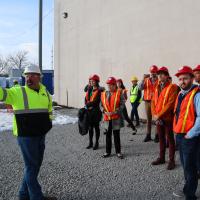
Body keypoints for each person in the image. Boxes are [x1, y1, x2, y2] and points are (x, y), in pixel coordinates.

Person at [0, 64, 56, 200]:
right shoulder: (18, 92)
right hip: (26, 137)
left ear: (39, 77)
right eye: (26, 75)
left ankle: (23, 195)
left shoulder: (45, 93)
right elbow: (2, 93)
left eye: (32, 75)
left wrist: (48, 123)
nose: (28, 78)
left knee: (35, 165)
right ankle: (37, 197)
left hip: (40, 134)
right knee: (31, 166)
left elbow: (49, 111)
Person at [173, 66, 200, 200]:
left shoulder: (197, 94)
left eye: (185, 78)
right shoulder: (181, 93)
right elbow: (178, 114)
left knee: (190, 167)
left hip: (190, 137)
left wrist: (191, 133)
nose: (182, 81)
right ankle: (187, 189)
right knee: (185, 165)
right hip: (180, 135)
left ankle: (190, 195)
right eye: (180, 79)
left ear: (192, 78)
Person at [151, 67, 178, 170]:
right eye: (159, 74)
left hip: (167, 118)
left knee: (170, 139)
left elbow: (170, 104)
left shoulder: (172, 87)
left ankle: (172, 161)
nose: (160, 76)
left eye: (162, 74)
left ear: (167, 76)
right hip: (158, 118)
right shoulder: (157, 87)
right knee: (161, 138)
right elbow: (153, 102)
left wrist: (159, 115)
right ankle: (161, 158)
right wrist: (154, 114)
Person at [101, 77, 125, 159]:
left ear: (115, 85)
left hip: (116, 118)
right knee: (108, 135)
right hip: (107, 118)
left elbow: (122, 104)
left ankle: (118, 152)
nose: (110, 87)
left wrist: (116, 111)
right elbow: (100, 105)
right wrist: (104, 111)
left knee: (116, 135)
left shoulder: (119, 93)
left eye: (111, 85)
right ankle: (108, 152)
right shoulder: (104, 93)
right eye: (108, 85)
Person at [139, 65, 159, 142]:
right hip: (147, 101)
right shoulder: (146, 80)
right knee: (149, 119)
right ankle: (148, 135)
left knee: (157, 118)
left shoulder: (159, 80)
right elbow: (140, 88)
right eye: (152, 72)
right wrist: (142, 79)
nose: (153, 73)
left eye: (154, 72)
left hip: (156, 101)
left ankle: (157, 135)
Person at [85, 74, 102, 150]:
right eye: (90, 81)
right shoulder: (89, 89)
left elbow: (96, 101)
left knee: (96, 128)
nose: (91, 82)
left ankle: (96, 143)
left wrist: (88, 104)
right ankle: (90, 143)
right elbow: (86, 99)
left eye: (93, 81)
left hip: (96, 112)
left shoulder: (99, 90)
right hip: (89, 111)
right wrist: (87, 105)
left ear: (96, 81)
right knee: (90, 128)